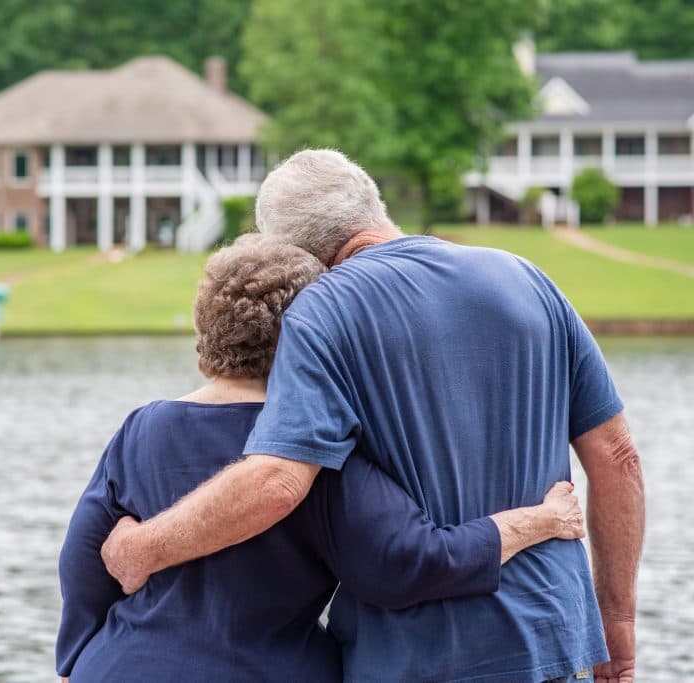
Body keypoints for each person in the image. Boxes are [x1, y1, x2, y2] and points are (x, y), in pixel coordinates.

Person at [102, 151, 645, 683]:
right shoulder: (526, 278)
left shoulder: (322, 310)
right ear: (373, 205)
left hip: (419, 660)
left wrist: (143, 548)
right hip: (559, 643)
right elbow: (617, 458)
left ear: (298, 255)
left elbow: (277, 482)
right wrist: (616, 622)